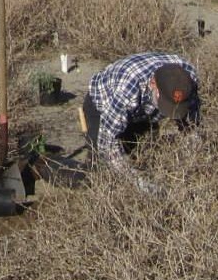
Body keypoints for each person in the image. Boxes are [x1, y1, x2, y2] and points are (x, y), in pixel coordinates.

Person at [81, 52, 201, 192]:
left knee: (143, 156)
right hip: (102, 105)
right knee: (102, 171)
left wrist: (192, 159)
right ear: (153, 84)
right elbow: (108, 144)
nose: (171, 112)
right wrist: (137, 182)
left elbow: (191, 125)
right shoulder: (128, 88)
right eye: (165, 104)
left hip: (142, 111)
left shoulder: (188, 79)